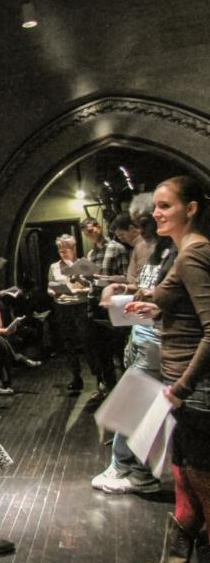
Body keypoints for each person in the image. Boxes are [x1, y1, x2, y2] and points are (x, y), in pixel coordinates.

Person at [128, 176, 210, 563]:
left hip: (196, 393)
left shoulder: (192, 254)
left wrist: (182, 386)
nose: (155, 213)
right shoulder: (185, 253)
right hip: (184, 391)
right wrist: (155, 306)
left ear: (191, 208)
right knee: (183, 482)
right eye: (155, 206)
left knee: (202, 488)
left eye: (165, 206)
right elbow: (187, 308)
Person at [91, 194, 175, 495]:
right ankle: (128, 467)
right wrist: (124, 289)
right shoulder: (147, 246)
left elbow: (173, 296)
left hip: (160, 338)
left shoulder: (179, 248)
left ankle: (133, 470)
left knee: (136, 403)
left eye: (146, 221)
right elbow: (145, 286)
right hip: (142, 334)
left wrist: (148, 300)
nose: (142, 229)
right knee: (134, 402)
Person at [80, 216, 130, 399]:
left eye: (91, 231)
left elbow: (126, 277)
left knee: (118, 348)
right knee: (100, 350)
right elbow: (92, 281)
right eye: (86, 234)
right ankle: (109, 387)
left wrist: (105, 279)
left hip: (113, 302)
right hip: (95, 302)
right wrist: (86, 277)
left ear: (99, 227)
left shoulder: (117, 248)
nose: (90, 235)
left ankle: (126, 390)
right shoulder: (91, 254)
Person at [47, 234, 90, 391]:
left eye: (65, 250)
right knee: (68, 342)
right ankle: (76, 377)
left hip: (80, 306)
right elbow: (49, 286)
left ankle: (99, 377)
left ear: (74, 249)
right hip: (62, 306)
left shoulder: (83, 264)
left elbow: (92, 286)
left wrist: (80, 289)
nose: (62, 253)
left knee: (87, 341)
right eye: (60, 250)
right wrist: (52, 292)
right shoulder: (54, 267)